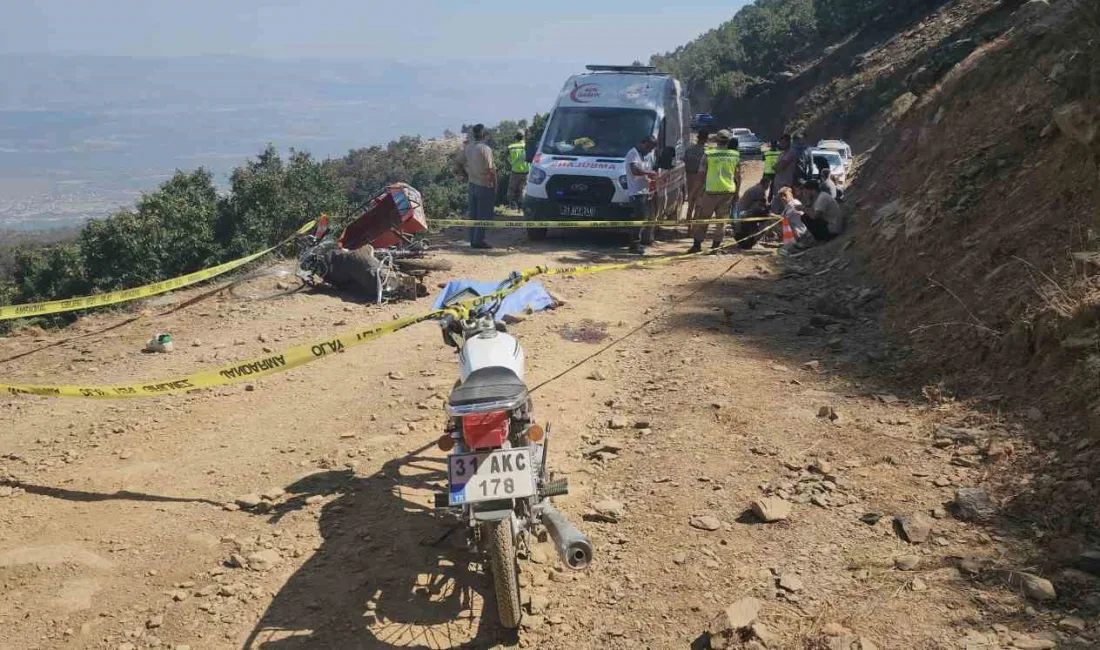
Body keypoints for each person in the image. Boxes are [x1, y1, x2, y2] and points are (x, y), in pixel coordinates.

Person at [689, 130, 742, 253]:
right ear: (728, 141)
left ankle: (697, 245)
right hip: (728, 191)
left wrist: (693, 193)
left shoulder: (708, 154)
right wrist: (737, 193)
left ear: (716, 141)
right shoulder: (735, 155)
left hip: (711, 192)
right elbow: (738, 176)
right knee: (721, 221)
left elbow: (701, 176)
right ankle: (716, 247)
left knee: (703, 219)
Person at [457, 124, 496, 249]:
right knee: (482, 214)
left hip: (472, 184)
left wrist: (466, 176)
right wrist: (492, 184)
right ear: (484, 134)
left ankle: (473, 240)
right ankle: (479, 241)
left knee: (472, 214)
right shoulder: (486, 149)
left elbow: (457, 164)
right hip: (484, 185)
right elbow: (490, 169)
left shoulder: (468, 148)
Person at [624, 135, 659, 255]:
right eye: (648, 147)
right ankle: (634, 245)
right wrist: (649, 173)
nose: (649, 150)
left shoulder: (647, 156)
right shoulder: (632, 153)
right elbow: (635, 171)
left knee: (644, 218)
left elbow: (648, 171)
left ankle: (637, 243)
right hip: (636, 192)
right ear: (643, 143)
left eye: (651, 149)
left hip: (645, 191)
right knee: (639, 219)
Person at [683, 131, 709, 221]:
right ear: (705, 139)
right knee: (698, 204)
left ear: (698, 138)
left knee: (691, 203)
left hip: (690, 177)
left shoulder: (689, 150)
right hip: (701, 179)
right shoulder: (706, 152)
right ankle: (693, 228)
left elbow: (685, 163)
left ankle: (688, 225)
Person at [770, 134, 797, 215]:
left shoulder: (791, 152)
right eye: (780, 142)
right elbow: (775, 166)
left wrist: (776, 166)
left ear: (788, 142)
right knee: (775, 206)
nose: (780, 144)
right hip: (778, 183)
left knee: (783, 207)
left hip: (785, 184)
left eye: (783, 142)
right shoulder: (781, 153)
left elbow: (781, 166)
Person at [506, 131, 529, 210]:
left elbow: (506, 158)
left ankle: (512, 205)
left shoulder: (511, 147)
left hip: (515, 171)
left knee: (512, 188)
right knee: (523, 189)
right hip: (526, 171)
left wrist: (511, 164)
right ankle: (521, 206)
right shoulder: (527, 146)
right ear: (523, 137)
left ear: (516, 137)